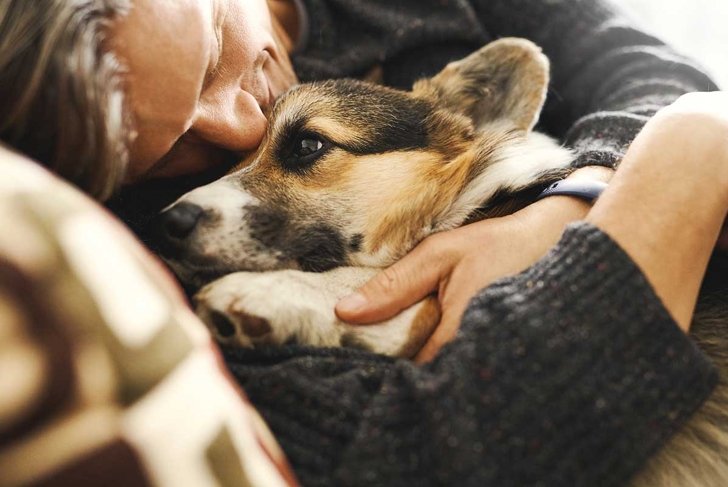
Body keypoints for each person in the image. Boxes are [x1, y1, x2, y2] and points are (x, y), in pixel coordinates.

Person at [0, 0, 724, 485]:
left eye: (218, 45)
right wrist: (687, 154)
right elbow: (432, 447)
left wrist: (573, 200)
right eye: (167, 149)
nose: (238, 124)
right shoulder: (141, 239)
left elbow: (653, 75)